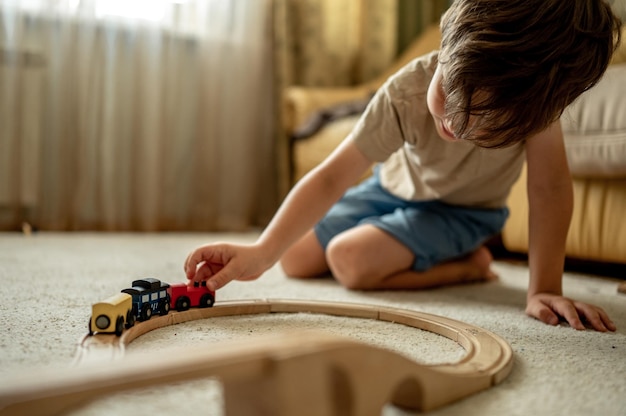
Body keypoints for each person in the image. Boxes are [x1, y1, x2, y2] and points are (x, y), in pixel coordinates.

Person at [184, 0, 622, 332]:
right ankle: (448, 256)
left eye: (481, 123)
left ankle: (469, 264)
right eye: (449, 93)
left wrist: (543, 288)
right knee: (293, 258)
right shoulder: (405, 91)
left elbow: (548, 191)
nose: (452, 122)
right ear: (446, 46)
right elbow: (333, 176)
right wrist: (261, 252)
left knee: (348, 260)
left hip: (463, 213)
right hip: (389, 189)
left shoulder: (539, 113)